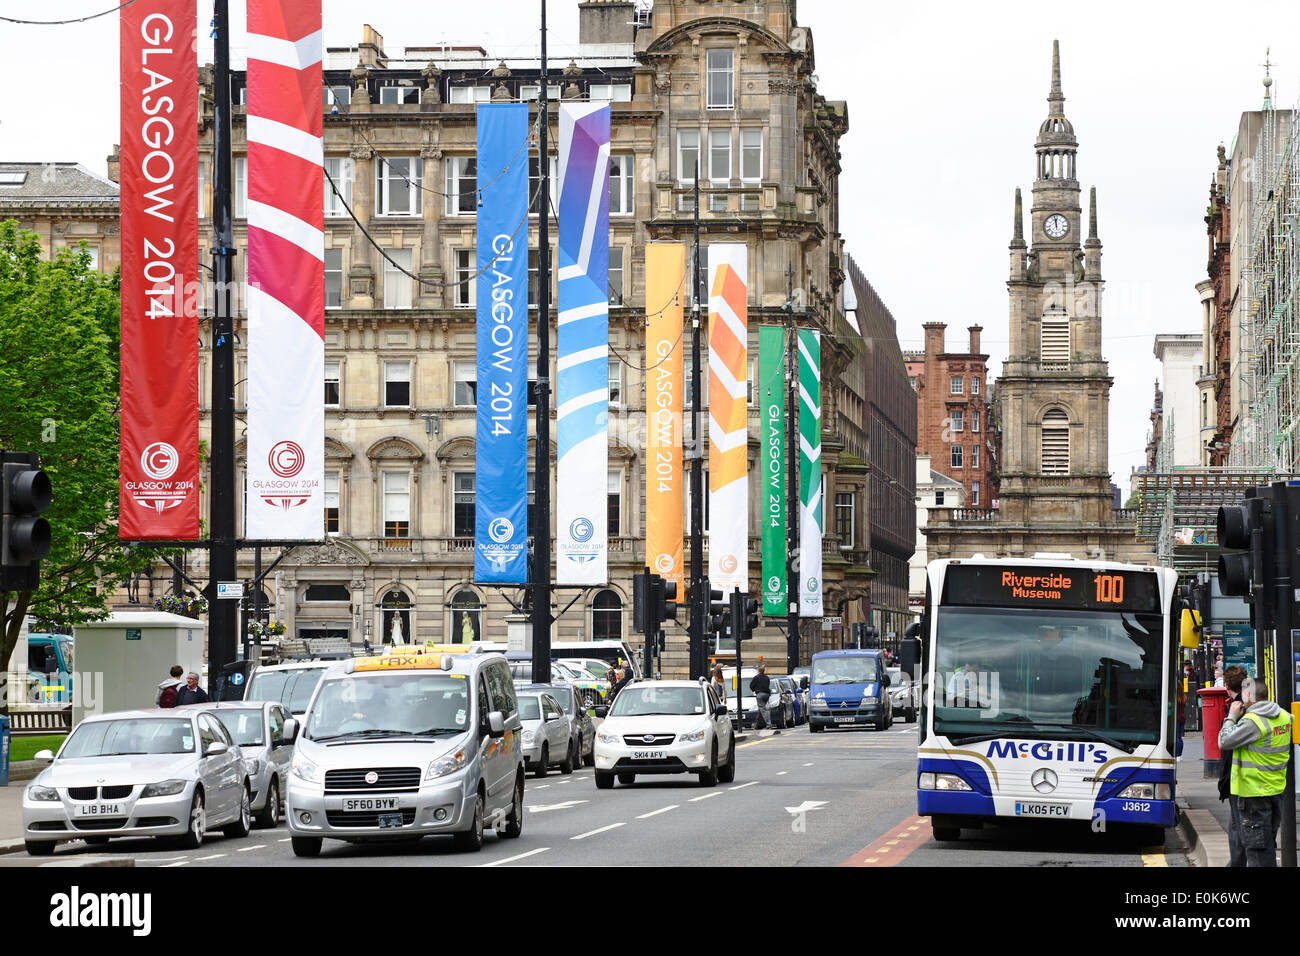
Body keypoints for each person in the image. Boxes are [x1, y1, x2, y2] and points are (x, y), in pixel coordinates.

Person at [1218, 675, 1293, 867]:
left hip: (1253, 795)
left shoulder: (1252, 722)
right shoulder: (1284, 716)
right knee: (1266, 845)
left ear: (1249, 695)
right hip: (1275, 790)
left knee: (1257, 851)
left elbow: (1224, 741)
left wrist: (1231, 717)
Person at [1217, 665, 1248, 866]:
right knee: (1236, 824)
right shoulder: (1248, 705)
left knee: (1238, 826)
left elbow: (1225, 743)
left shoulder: (1237, 710)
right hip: (1255, 778)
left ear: (1227, 685)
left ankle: (1236, 863)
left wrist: (1229, 718)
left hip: (1239, 777)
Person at [750, 663, 776, 733]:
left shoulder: (756, 677)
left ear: (758, 671)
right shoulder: (767, 677)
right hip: (766, 694)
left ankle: (769, 724)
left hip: (760, 694)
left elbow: (751, 685)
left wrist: (754, 690)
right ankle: (756, 725)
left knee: (763, 710)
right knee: (761, 710)